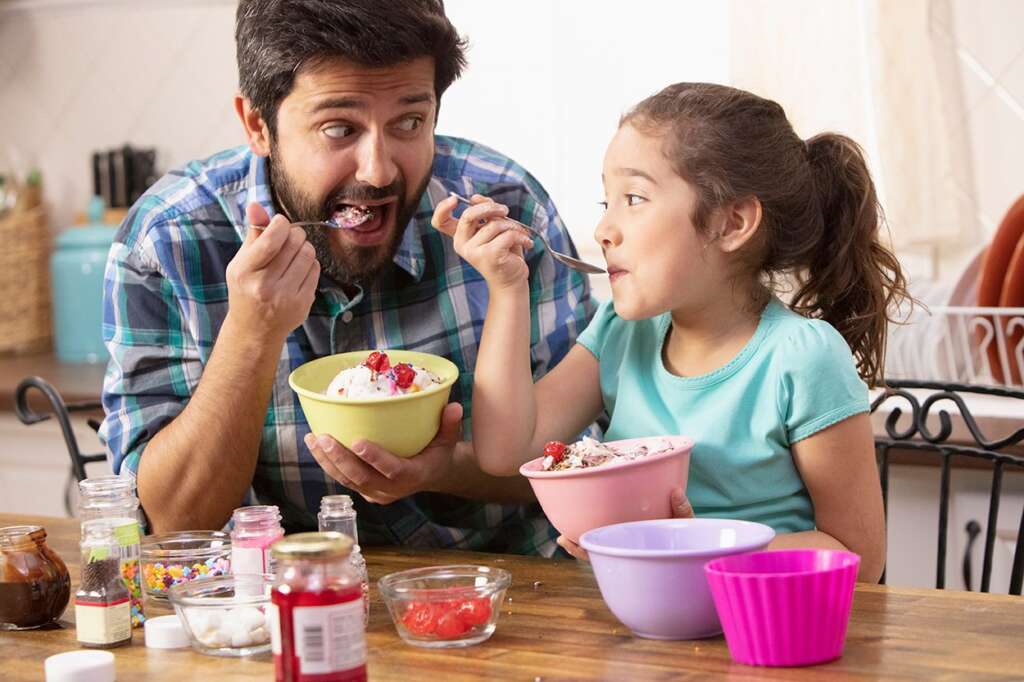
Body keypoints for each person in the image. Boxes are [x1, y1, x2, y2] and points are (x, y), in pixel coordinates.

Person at [98, 0, 594, 557]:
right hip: (275, 606)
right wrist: (252, 334)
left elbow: (587, 459)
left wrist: (442, 469)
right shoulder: (169, 241)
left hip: (514, 589)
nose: (378, 170)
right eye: (339, 128)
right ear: (258, 125)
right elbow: (172, 521)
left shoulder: (506, 210)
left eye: (409, 121)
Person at [432, 82, 909, 580]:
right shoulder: (622, 333)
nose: (603, 231)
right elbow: (506, 451)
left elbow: (858, 556)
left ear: (732, 223)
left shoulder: (801, 357)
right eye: (606, 202)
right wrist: (507, 289)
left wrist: (685, 547)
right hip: (639, 626)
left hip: (761, 635)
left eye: (634, 198)